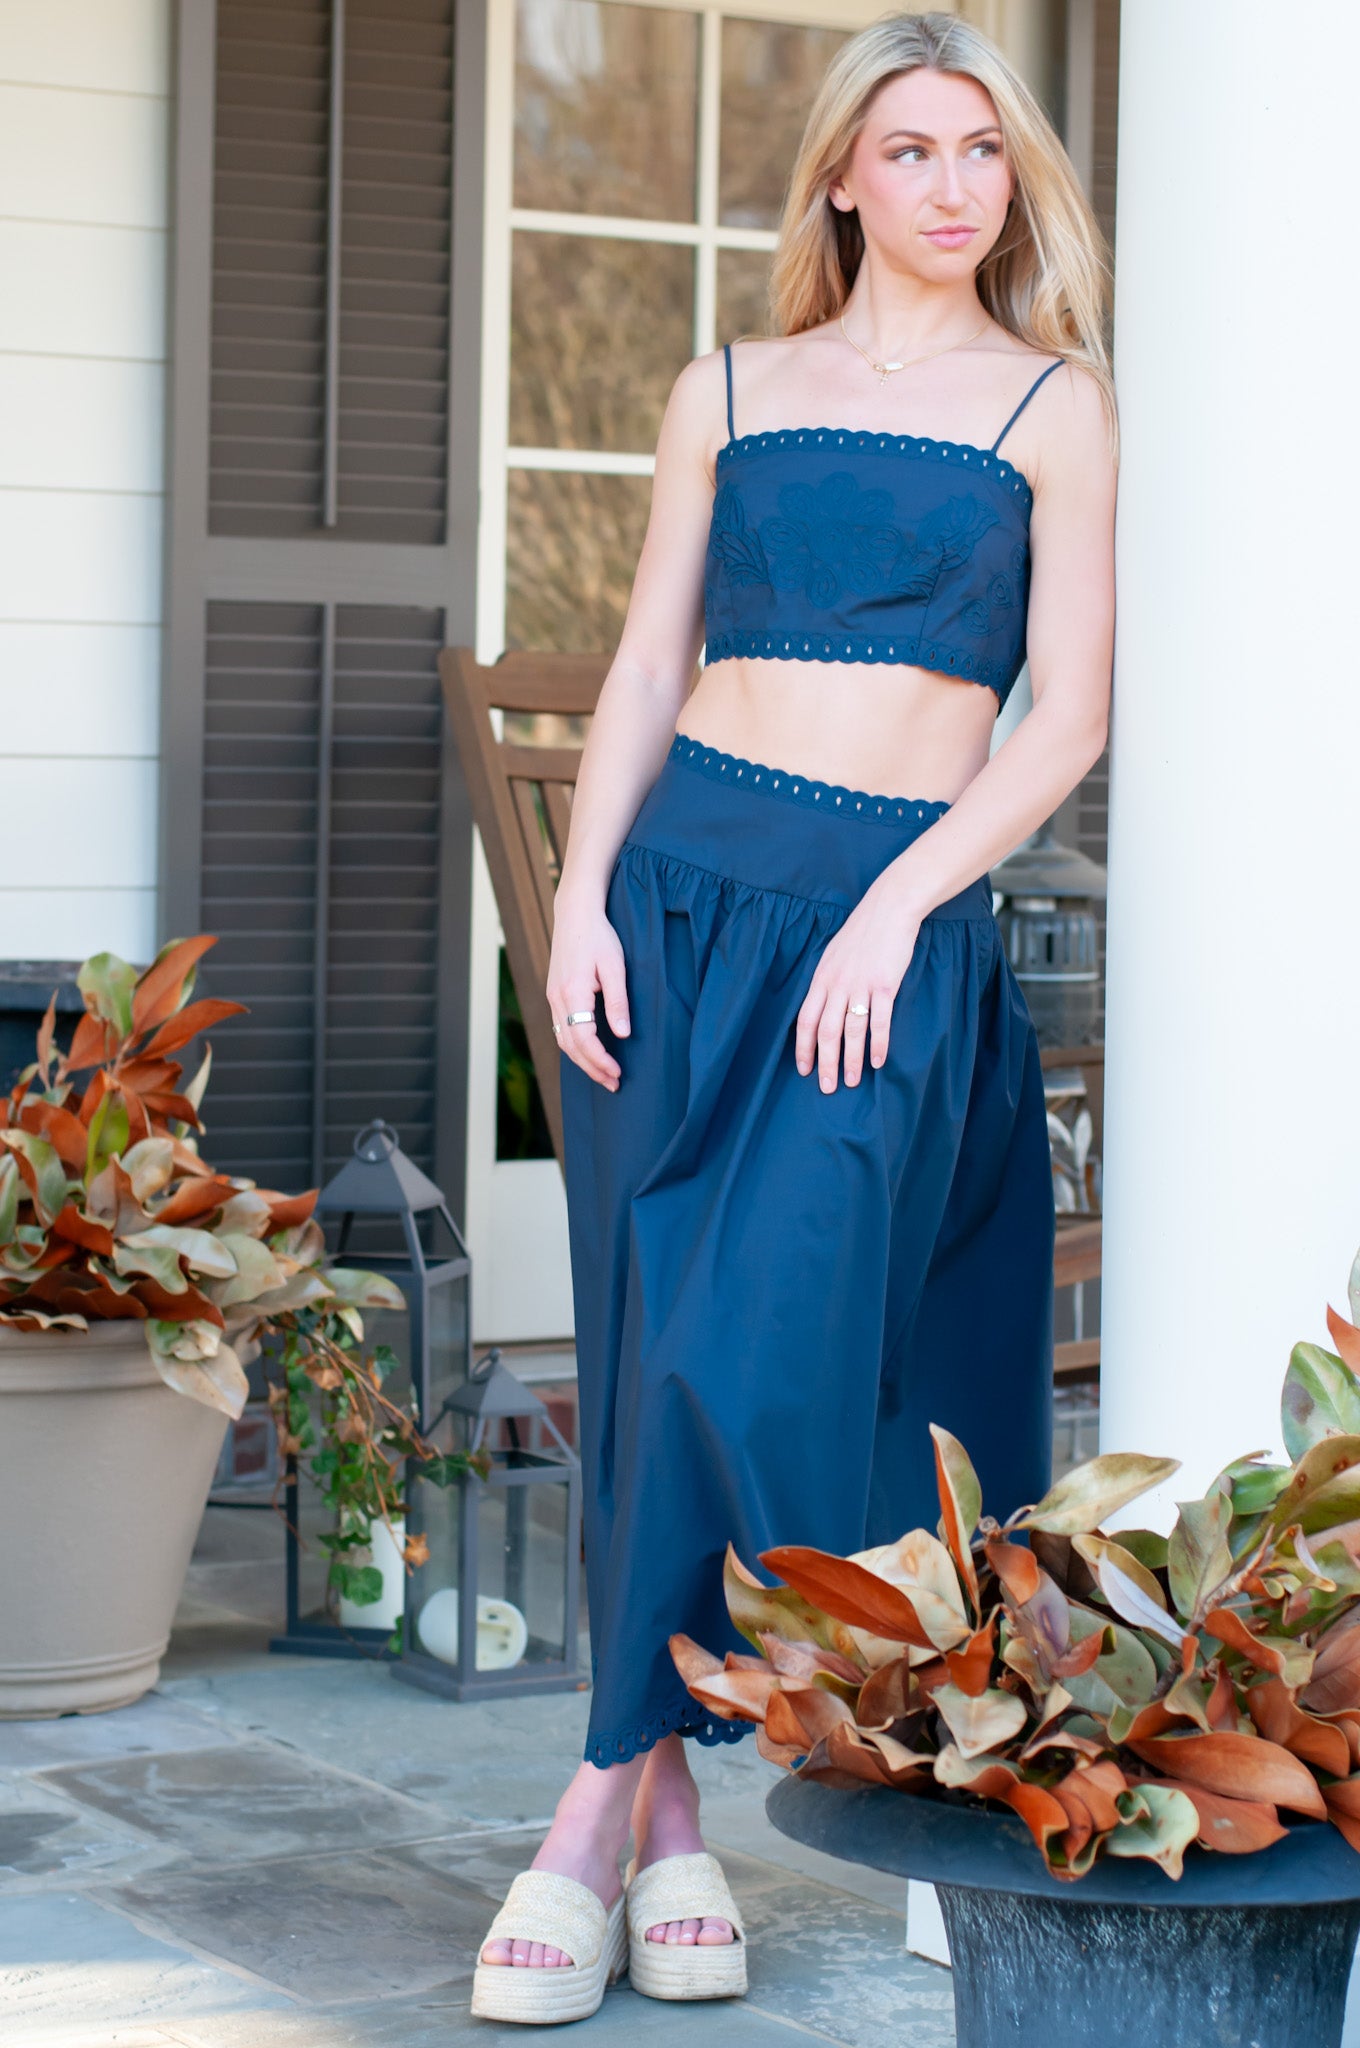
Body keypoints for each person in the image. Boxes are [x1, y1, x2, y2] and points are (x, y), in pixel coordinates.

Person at [471, 9, 1116, 2024]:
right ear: (839, 174)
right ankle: (666, 1831)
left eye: (978, 153)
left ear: (1010, 185)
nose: (947, 183)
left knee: (751, 1353)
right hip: (678, 896)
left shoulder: (1053, 408)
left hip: (881, 926)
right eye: (908, 149)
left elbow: (1067, 715)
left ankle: (588, 1805)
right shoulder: (725, 385)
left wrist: (904, 900)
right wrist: (578, 890)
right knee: (651, 1327)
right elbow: (651, 654)